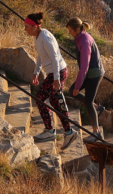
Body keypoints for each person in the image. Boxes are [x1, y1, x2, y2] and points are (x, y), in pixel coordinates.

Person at [25, 12, 76, 148]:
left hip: (57, 71)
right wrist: (36, 72)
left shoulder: (45, 38)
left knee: (41, 98)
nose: (25, 29)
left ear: (35, 26)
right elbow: (41, 56)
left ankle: (52, 130)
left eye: (27, 27)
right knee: (54, 101)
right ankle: (66, 131)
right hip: (54, 72)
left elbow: (54, 57)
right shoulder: (38, 36)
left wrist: (56, 79)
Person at [66, 16, 105, 142]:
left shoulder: (84, 41)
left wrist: (78, 87)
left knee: (87, 101)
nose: (69, 33)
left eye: (71, 30)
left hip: (94, 74)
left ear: (77, 28)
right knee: (71, 92)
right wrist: (75, 88)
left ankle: (96, 133)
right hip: (89, 73)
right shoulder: (81, 37)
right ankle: (97, 108)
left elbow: (84, 67)